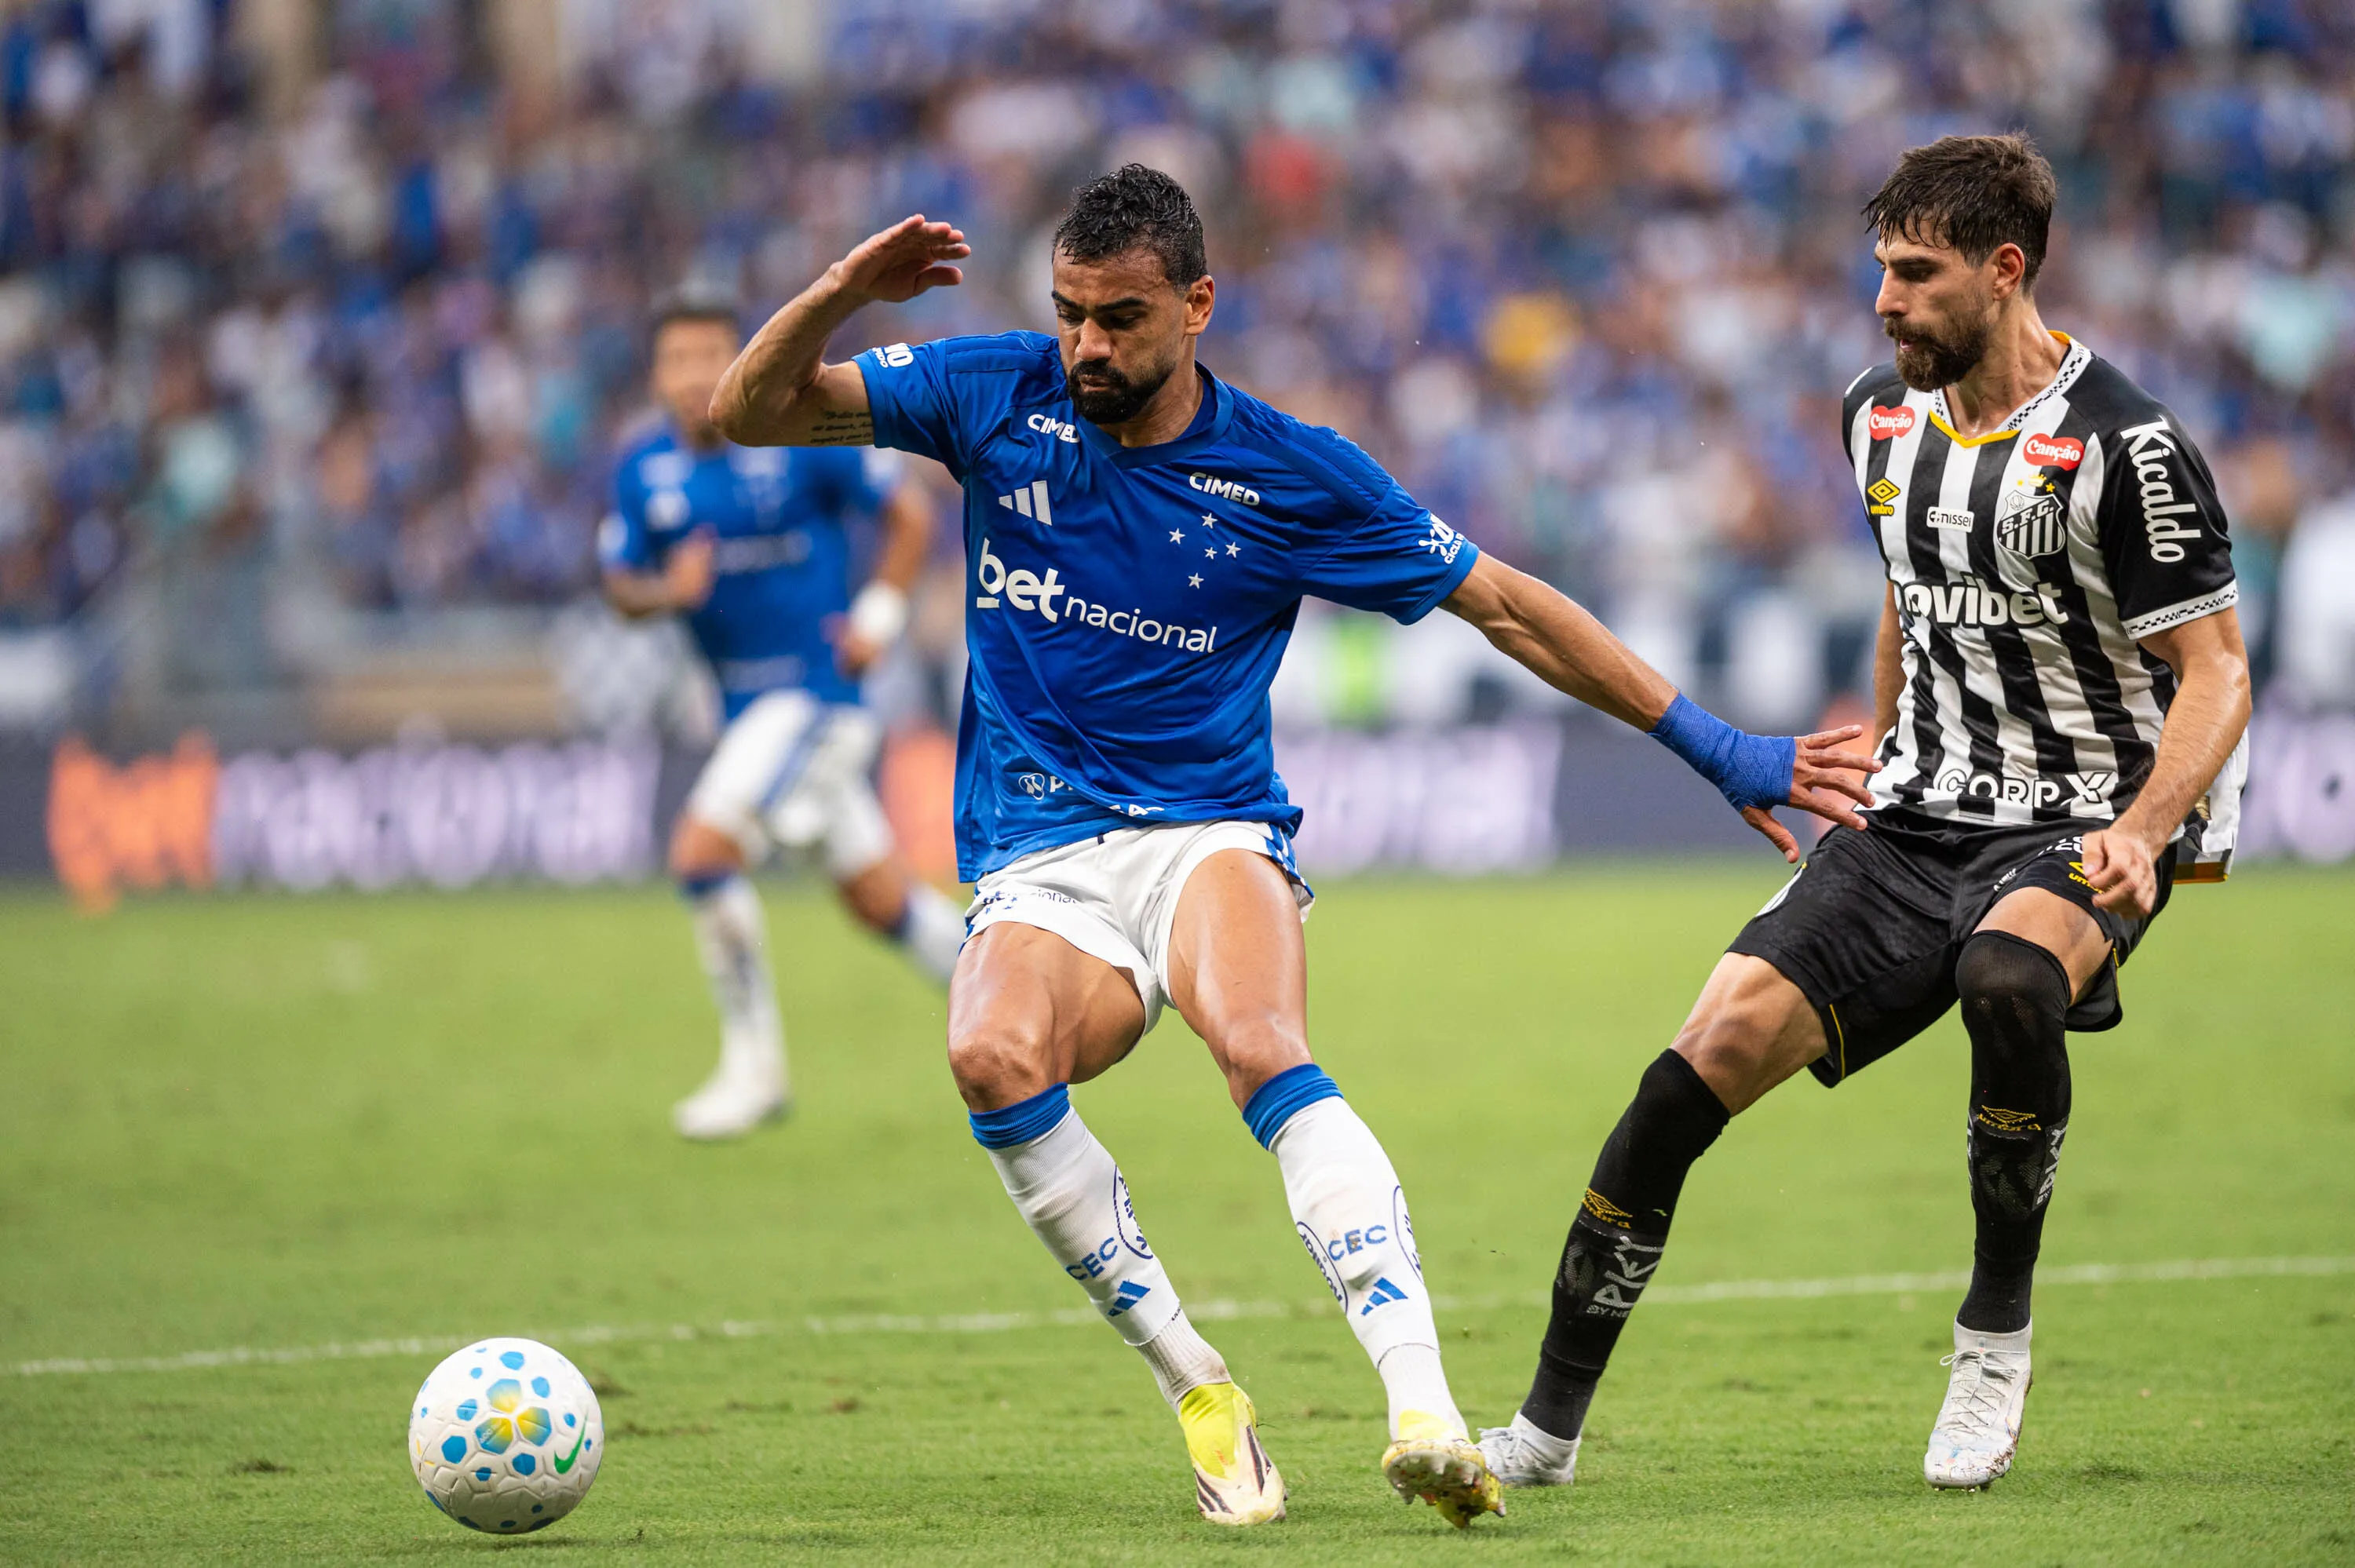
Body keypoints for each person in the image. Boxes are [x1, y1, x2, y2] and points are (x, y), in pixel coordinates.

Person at [706, 166, 1871, 1528]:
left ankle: (1424, 1406)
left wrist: (1718, 745)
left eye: (1122, 317)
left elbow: (1505, 606)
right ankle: (1201, 1385)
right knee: (988, 1054)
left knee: (1257, 1037)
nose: (1089, 344)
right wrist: (845, 291)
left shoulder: (1289, 472)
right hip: (1036, 857)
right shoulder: (991, 392)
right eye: (1073, 313)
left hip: (1208, 832)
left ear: (1200, 304)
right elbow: (749, 410)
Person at [1481, 133, 2252, 1496]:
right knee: (1694, 1058)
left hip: (2075, 819)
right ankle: (1540, 1434)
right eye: (1878, 270)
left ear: (2004, 272)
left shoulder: (2126, 446)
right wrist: (1879, 746)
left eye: (1914, 272)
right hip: (1917, 820)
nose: (1882, 300)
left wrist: (2148, 826)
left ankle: (1992, 1342)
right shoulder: (1875, 416)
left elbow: (2218, 672)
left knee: (2010, 973)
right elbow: (1911, 576)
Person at [601, 297, 969, 1140]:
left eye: (711, 356)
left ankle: (754, 1071)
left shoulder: (797, 436)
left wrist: (878, 617)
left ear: (742, 362)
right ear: (656, 377)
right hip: (745, 718)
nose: (695, 376)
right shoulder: (641, 470)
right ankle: (1021, 999)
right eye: (677, 359)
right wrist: (667, 594)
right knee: (884, 905)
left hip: (816, 702)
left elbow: (908, 511)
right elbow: (620, 584)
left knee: (701, 852)